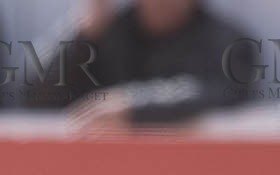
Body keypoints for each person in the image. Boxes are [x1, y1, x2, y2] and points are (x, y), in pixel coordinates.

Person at [25, 0, 252, 128]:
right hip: (108, 173)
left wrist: (133, 104)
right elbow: (36, 97)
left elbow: (217, 90)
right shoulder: (108, 32)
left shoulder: (227, 39)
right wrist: (82, 36)